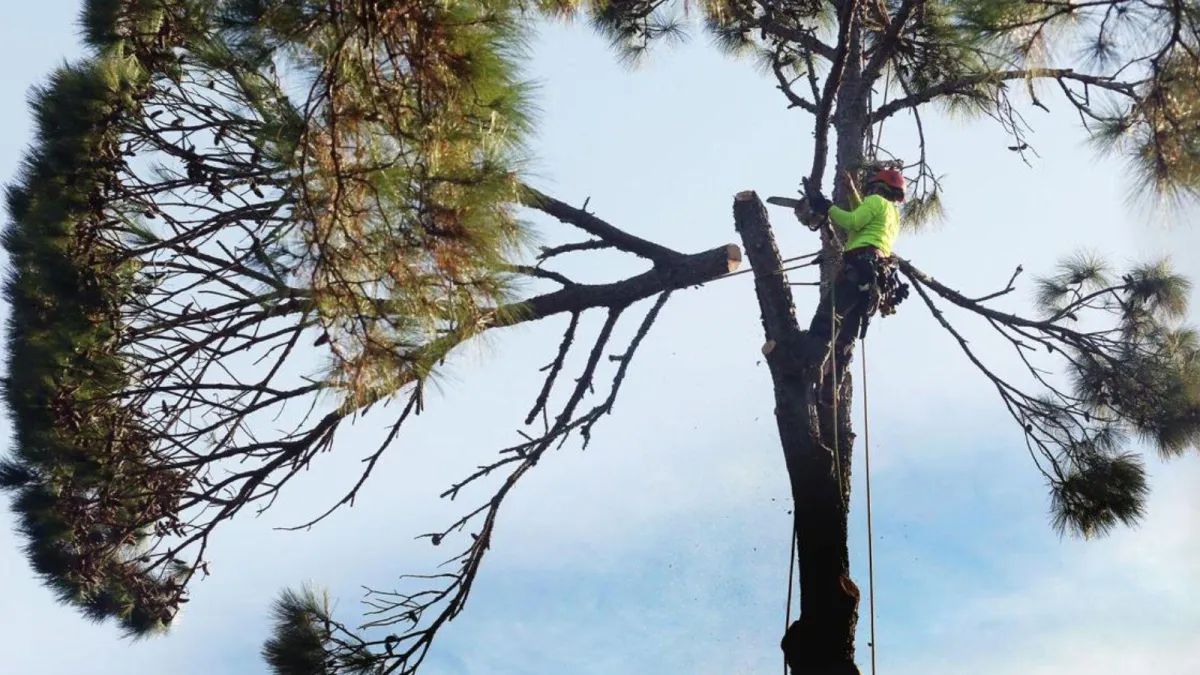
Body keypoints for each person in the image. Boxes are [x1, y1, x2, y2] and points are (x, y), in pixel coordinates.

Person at [800, 168, 906, 368]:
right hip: (872, 278)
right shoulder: (892, 214)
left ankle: (809, 362)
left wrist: (827, 207)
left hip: (858, 267)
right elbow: (864, 221)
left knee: (827, 315)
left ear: (877, 187)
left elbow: (853, 221)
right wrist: (850, 191)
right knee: (847, 336)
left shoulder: (875, 201)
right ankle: (831, 390)